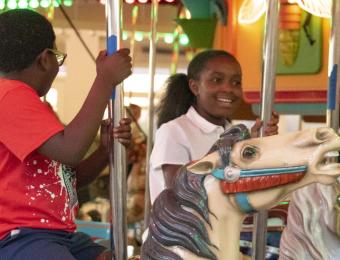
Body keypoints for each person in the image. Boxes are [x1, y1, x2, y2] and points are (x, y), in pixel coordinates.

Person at [0, 9, 132, 260]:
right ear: (44, 59)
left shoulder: (34, 106)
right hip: (20, 235)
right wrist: (104, 80)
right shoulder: (9, 96)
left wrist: (105, 151)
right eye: (58, 58)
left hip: (54, 233)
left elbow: (70, 178)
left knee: (106, 256)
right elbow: (71, 150)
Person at [149, 49, 279, 203]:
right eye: (217, 80)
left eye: (236, 82)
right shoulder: (174, 131)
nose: (229, 89)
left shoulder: (234, 132)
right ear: (195, 86)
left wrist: (255, 147)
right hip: (186, 226)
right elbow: (181, 192)